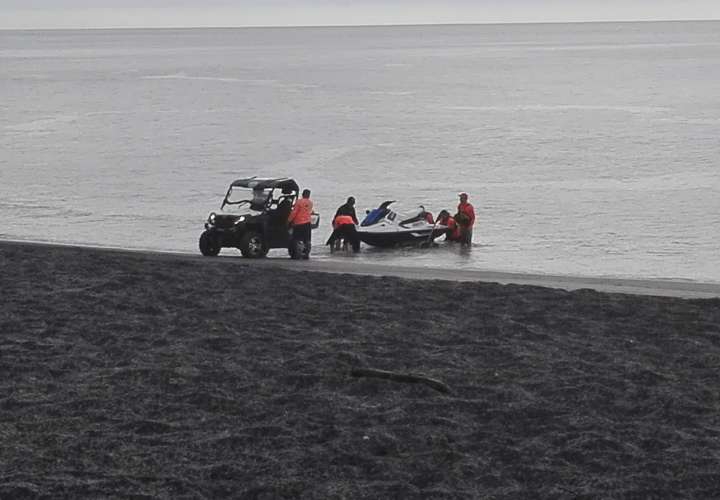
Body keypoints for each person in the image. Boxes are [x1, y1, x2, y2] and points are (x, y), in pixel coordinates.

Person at [287, 188, 313, 259]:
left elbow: (294, 212)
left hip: (298, 223)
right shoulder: (310, 203)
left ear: (302, 194)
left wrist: (289, 220)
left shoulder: (299, 202)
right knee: (307, 239)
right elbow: (309, 211)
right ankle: (306, 254)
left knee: (297, 239)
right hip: (307, 222)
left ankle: (297, 254)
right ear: (309, 195)